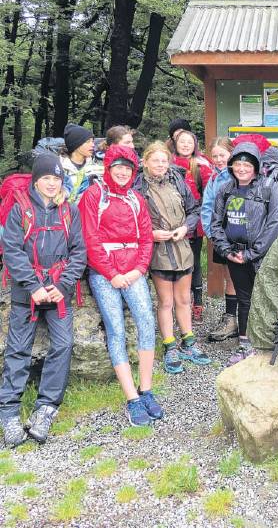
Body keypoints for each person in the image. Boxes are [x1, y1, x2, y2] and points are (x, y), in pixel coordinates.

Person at [0, 154, 86, 446]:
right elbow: (11, 251)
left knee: (63, 344)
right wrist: (33, 285)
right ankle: (9, 412)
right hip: (28, 293)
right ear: (36, 180)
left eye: (56, 179)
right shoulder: (20, 210)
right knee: (18, 349)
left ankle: (46, 408)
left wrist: (62, 285)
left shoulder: (69, 212)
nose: (52, 184)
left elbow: (79, 253)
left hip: (58, 292)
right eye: (46, 178)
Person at [79, 145, 163, 426]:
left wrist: (139, 268)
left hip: (133, 270)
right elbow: (90, 239)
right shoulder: (94, 195)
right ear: (109, 168)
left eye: (128, 168)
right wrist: (111, 273)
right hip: (105, 273)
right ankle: (132, 398)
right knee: (115, 330)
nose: (123, 172)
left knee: (146, 322)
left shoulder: (136, 198)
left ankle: (147, 389)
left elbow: (146, 238)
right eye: (119, 167)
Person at [135, 141, 211, 374]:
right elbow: (133, 221)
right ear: (145, 161)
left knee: (184, 299)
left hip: (182, 247)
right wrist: (150, 234)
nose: (160, 164)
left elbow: (194, 209)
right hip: (159, 252)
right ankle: (170, 346)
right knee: (166, 302)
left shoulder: (178, 180)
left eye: (164, 160)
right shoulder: (138, 186)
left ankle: (188, 341)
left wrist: (185, 228)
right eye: (155, 160)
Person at [210, 142, 278, 365]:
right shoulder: (225, 189)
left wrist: (253, 252)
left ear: (256, 166)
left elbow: (276, 221)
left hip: (261, 255)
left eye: (247, 164)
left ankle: (271, 343)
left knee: (267, 298)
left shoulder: (269, 187)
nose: (242, 168)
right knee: (244, 300)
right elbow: (216, 223)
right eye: (238, 164)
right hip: (235, 255)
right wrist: (226, 250)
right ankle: (245, 345)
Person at [167, 128, 213, 323]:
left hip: (193, 222)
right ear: (175, 143)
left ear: (195, 145)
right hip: (170, 222)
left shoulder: (201, 165)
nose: (186, 145)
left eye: (189, 142)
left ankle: (197, 303)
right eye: (182, 141)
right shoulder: (166, 163)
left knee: (193, 263)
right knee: (170, 263)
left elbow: (208, 193)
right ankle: (175, 303)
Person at [201, 137, 239, 342]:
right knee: (229, 278)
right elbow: (207, 206)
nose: (218, 159)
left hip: (238, 234)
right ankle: (231, 319)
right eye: (214, 156)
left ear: (231, 154)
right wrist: (212, 233)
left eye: (221, 155)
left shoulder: (239, 174)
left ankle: (246, 321)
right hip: (221, 236)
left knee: (243, 277)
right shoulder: (214, 177)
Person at [61, 124, 104, 203]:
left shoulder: (97, 168)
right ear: (75, 144)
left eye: (92, 141)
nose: (93, 145)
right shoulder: (59, 168)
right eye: (88, 142)